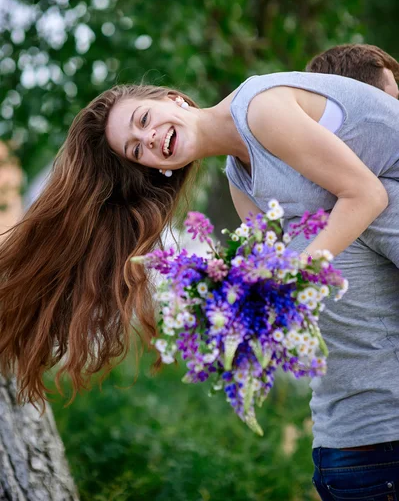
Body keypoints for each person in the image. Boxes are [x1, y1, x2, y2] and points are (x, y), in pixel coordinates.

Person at [0, 51, 398, 496]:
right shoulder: (241, 178)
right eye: (136, 149)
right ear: (155, 168)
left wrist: (283, 280)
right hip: (351, 426)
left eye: (144, 118)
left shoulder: (260, 108)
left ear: (176, 100)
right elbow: (277, 287)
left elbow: (366, 196)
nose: (148, 138)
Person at [304, 44, 399, 499]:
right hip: (386, 442)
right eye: (392, 102)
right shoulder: (372, 194)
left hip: (338, 442)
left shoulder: (297, 199)